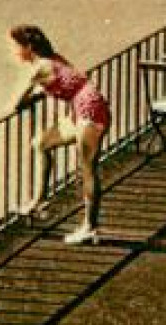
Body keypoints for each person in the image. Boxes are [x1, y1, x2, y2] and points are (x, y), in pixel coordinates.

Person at [8, 25, 110, 245]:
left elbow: (16, 103)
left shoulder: (39, 68)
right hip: (85, 107)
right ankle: (39, 200)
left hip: (88, 111)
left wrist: (30, 98)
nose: (15, 52)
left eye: (17, 47)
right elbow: (69, 80)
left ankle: (90, 228)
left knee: (88, 169)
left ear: (29, 47)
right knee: (40, 143)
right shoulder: (53, 59)